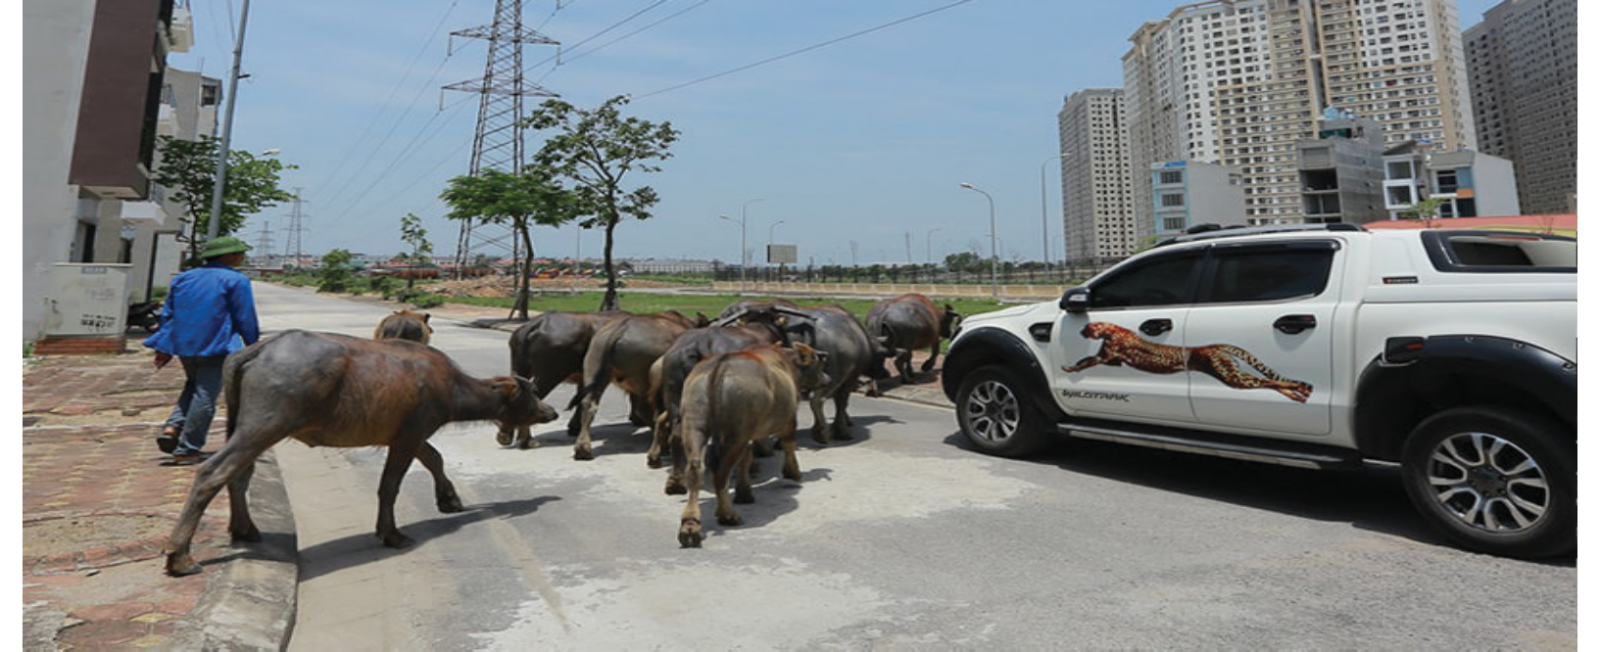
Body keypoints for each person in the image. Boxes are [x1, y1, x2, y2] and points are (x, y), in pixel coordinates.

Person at [144, 236, 262, 465]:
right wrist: (252, 344)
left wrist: (163, 347)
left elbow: (169, 315)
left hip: (185, 344)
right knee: (206, 395)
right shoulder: (236, 280)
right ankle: (188, 448)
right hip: (216, 345)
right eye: (238, 253)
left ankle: (172, 427)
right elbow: (245, 316)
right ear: (227, 256)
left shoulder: (184, 278)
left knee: (194, 385)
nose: (241, 256)